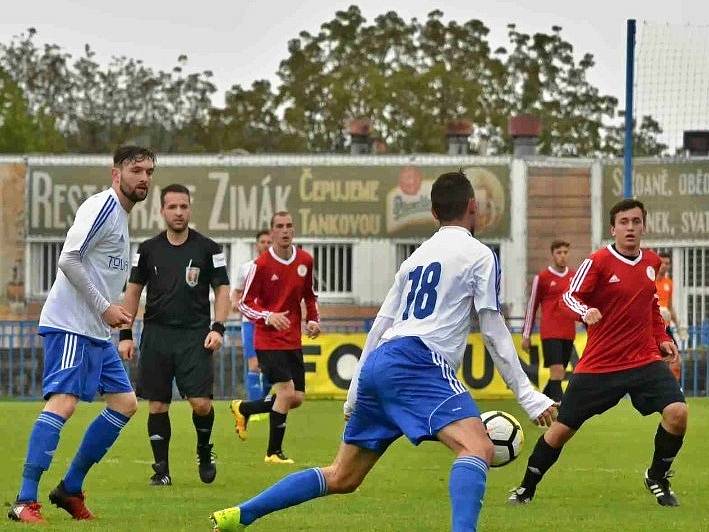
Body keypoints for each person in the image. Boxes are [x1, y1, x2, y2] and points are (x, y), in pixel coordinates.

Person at [211, 171, 556, 531]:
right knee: (477, 448)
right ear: (473, 207)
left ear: (434, 214)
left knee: (342, 476)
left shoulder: (415, 258)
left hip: (383, 360)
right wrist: (528, 395)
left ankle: (241, 515)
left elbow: (381, 324)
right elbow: (493, 327)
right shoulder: (479, 254)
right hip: (419, 361)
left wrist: (355, 393)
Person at [8, 146, 155, 524]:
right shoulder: (102, 207)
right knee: (64, 404)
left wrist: (116, 319)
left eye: (149, 171)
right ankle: (24, 500)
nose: (144, 178)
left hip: (94, 331)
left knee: (125, 403)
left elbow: (101, 276)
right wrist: (103, 307)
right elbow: (68, 258)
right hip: (71, 324)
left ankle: (70, 488)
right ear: (116, 174)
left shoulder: (122, 219)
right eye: (136, 170)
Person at [509, 199, 688, 507]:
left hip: (644, 359)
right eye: (624, 222)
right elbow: (569, 295)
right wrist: (585, 310)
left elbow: (650, 305)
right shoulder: (598, 261)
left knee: (678, 414)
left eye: (635, 221)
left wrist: (662, 337)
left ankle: (657, 476)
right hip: (600, 365)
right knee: (561, 431)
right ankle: (526, 487)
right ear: (613, 228)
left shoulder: (651, 262)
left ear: (643, 226)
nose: (630, 227)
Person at [119, 183, 230, 486]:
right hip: (156, 334)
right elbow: (132, 292)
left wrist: (218, 328)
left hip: (195, 335)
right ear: (162, 211)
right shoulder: (147, 250)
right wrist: (125, 333)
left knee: (201, 404)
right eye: (173, 207)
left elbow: (222, 291)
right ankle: (161, 471)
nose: (179, 212)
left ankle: (204, 450)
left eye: (184, 206)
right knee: (157, 405)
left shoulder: (208, 249)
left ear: (190, 209)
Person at [230, 211, 320, 464]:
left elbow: (309, 296)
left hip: (292, 339)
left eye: (289, 226)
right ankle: (273, 453)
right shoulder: (260, 266)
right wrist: (268, 316)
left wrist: (312, 320)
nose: (285, 230)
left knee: (297, 398)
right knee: (286, 391)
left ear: (293, 230)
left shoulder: (305, 260)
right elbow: (244, 304)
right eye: (279, 226)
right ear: (271, 233)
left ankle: (244, 408)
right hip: (267, 340)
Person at [521, 240, 577, 402]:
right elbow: (532, 306)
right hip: (550, 331)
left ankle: (541, 401)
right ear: (553, 255)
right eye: (559, 253)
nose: (563, 256)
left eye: (565, 252)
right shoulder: (543, 277)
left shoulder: (574, 276)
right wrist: (526, 334)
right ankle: (560, 406)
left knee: (559, 373)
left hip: (569, 331)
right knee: (557, 370)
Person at [230, 230, 273, 404]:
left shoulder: (280, 268)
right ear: (257, 245)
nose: (266, 245)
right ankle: (255, 407)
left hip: (271, 324)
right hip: (250, 323)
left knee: (270, 367)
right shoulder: (247, 267)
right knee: (254, 365)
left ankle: (264, 400)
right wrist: (235, 303)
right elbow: (237, 291)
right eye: (262, 241)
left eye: (269, 242)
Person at [656, 252, 681, 381]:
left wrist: (678, 325)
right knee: (655, 362)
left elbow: (670, 306)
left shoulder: (668, 283)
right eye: (662, 263)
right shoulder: (649, 282)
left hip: (666, 327)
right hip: (652, 328)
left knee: (675, 359)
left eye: (667, 263)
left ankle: (676, 391)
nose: (664, 266)